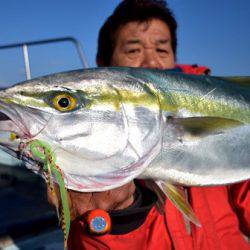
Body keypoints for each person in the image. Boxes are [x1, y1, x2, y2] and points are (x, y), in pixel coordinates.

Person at [61, 1, 250, 249]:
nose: (152, 62)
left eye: (162, 50)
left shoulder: (216, 100)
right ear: (103, 62)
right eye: (133, 51)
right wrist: (118, 219)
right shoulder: (84, 147)